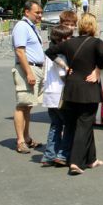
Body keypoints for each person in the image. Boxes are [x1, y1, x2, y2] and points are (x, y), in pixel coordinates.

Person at [45, 13, 103, 175]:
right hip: (88, 88)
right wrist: (97, 70)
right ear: (94, 27)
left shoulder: (70, 43)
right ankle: (76, 161)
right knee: (84, 124)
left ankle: (91, 159)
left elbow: (50, 51)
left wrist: (64, 66)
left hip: (71, 89)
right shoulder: (97, 42)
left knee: (82, 124)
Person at [11, 0, 45, 154]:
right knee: (22, 104)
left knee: (28, 105)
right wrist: (29, 72)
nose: (40, 15)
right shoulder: (21, 26)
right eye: (37, 12)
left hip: (35, 68)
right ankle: (20, 141)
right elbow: (20, 51)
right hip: (28, 68)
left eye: (40, 12)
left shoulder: (31, 27)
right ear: (27, 12)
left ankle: (27, 137)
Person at [40, 24, 74, 167]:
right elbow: (62, 75)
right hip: (59, 94)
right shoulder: (60, 55)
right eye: (69, 37)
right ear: (62, 40)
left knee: (55, 126)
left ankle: (49, 155)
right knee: (68, 125)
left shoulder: (49, 52)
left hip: (49, 94)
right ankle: (62, 155)